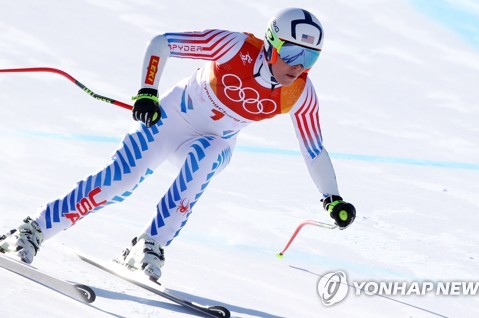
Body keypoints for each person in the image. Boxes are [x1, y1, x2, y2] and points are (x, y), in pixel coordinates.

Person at [0, 8, 356, 281]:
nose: (298, 67)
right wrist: (147, 92)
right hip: (168, 121)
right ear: (272, 45)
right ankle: (33, 230)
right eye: (293, 54)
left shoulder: (299, 94)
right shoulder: (233, 46)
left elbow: (314, 148)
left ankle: (149, 246)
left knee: (209, 156)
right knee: (120, 182)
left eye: (310, 58)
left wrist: (332, 198)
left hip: (213, 141)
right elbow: (163, 44)